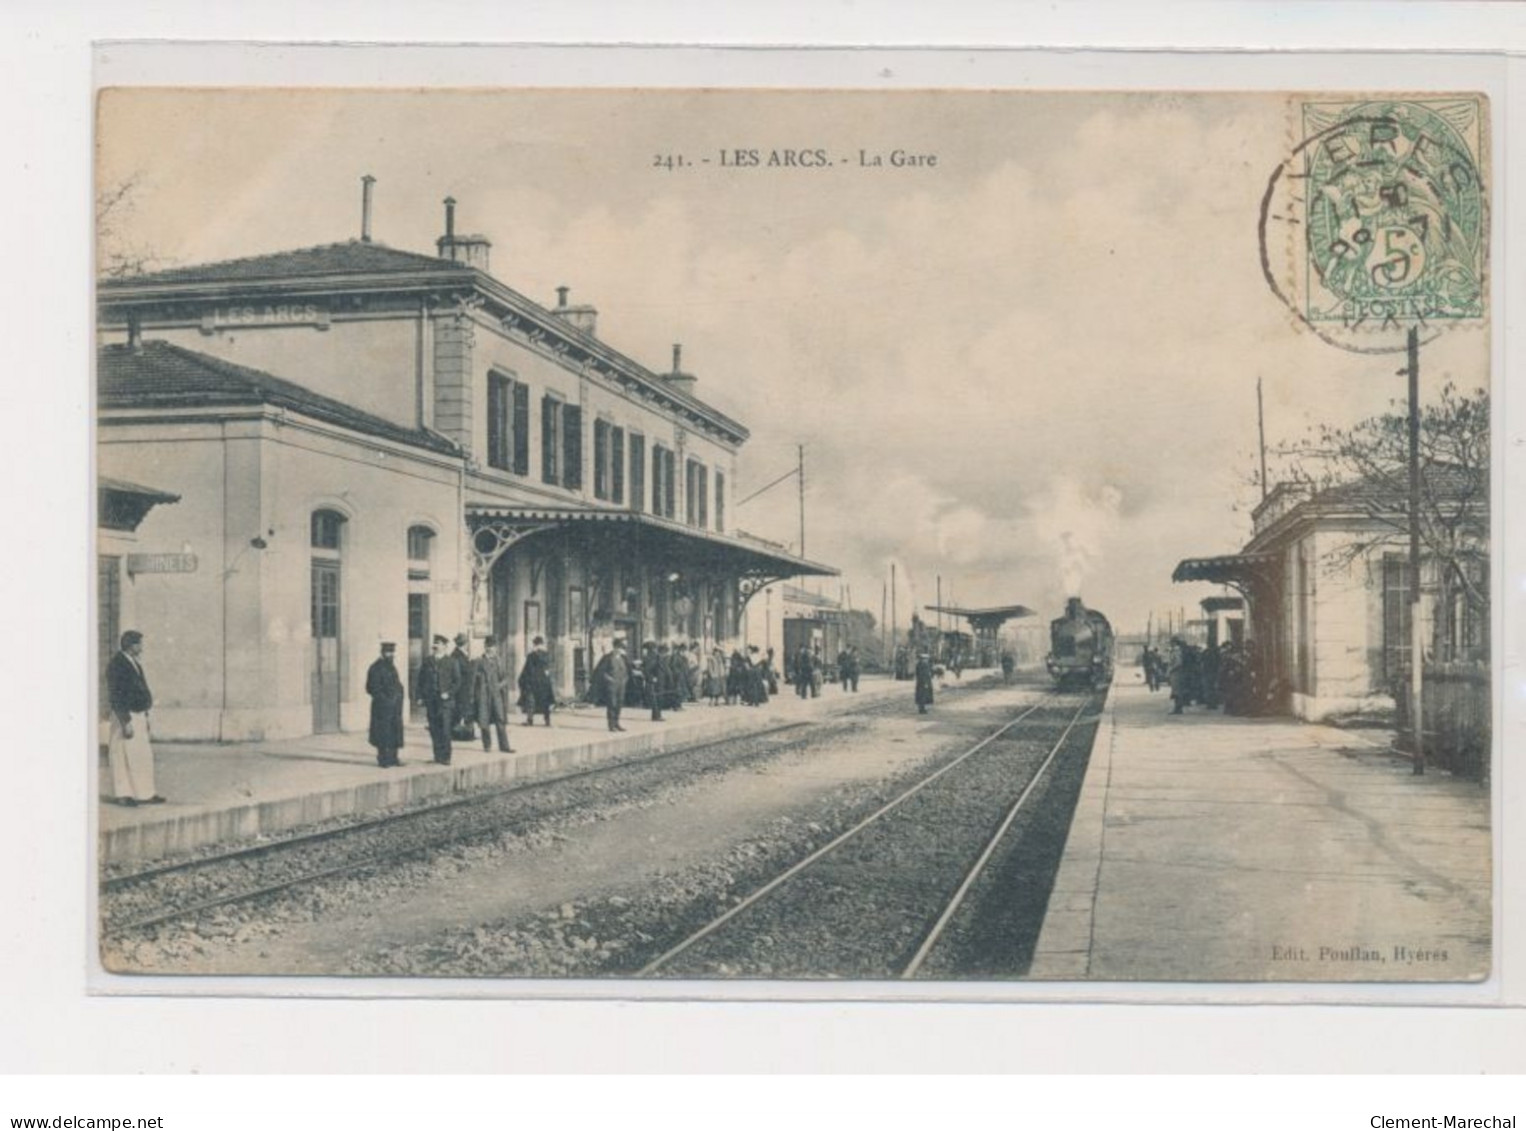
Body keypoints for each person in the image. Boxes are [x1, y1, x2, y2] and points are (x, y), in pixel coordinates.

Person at [105, 629, 163, 805]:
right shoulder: (117, 664)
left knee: (140, 756)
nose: (142, 647)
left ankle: (144, 793)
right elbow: (116, 695)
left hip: (137, 715)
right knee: (121, 755)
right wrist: (125, 721)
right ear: (131, 646)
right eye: (139, 644)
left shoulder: (133, 663)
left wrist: (144, 716)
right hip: (126, 716)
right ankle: (123, 795)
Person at [417, 633, 457, 764]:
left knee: (445, 729)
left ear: (445, 647)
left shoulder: (451, 662)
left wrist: (448, 693)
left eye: (439, 644)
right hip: (431, 701)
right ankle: (437, 756)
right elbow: (420, 680)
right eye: (435, 644)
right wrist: (420, 696)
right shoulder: (428, 661)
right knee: (434, 729)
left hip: (445, 702)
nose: (436, 646)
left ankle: (446, 757)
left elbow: (457, 682)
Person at [365, 641, 407, 768]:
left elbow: (397, 684)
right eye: (389, 652)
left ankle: (394, 757)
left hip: (395, 707)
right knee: (382, 733)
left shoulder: (392, 667)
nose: (391, 655)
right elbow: (371, 688)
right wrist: (385, 700)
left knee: (395, 732)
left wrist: (399, 695)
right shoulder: (375, 668)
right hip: (382, 708)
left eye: (392, 652)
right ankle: (383, 759)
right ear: (382, 653)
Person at [472, 637, 514, 752]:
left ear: (496, 648)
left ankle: (504, 746)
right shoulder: (479, 661)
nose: (491, 649)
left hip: (496, 696)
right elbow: (473, 681)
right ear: (485, 647)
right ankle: (487, 745)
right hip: (484, 696)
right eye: (488, 647)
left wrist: (499, 685)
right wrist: (473, 696)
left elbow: (505, 678)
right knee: (484, 720)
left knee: (500, 719)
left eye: (493, 647)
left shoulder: (499, 662)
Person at [591, 638, 631, 732]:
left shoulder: (623, 658)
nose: (623, 649)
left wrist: (625, 679)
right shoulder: (608, 657)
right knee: (612, 704)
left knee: (619, 703)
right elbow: (601, 671)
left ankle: (617, 723)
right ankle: (611, 724)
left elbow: (627, 670)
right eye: (621, 647)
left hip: (621, 684)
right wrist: (609, 680)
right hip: (612, 685)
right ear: (616, 647)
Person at [518, 635, 554, 726]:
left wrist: (522, 679)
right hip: (544, 682)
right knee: (545, 701)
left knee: (531, 700)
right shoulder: (546, 655)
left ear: (535, 644)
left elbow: (528, 669)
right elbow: (548, 669)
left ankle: (530, 719)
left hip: (533, 681)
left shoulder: (531, 656)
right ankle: (547, 720)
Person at [450, 632, 475, 741]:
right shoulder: (456, 655)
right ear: (464, 643)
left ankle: (466, 734)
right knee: (460, 712)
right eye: (465, 642)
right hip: (461, 689)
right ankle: (459, 734)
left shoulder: (461, 654)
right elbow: (461, 671)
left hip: (465, 688)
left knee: (464, 711)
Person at [643, 642, 665, 721]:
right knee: (656, 698)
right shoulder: (652, 657)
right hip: (655, 681)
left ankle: (656, 715)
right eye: (654, 648)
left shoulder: (654, 656)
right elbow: (647, 669)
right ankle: (656, 716)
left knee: (658, 698)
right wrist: (652, 678)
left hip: (658, 680)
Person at [914, 650, 935, 715]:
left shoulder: (919, 664)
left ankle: (921, 708)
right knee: (923, 696)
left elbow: (917, 674)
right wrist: (926, 683)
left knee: (920, 695)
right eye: (926, 659)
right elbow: (925, 674)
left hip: (919, 682)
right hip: (924, 682)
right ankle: (922, 709)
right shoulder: (924, 665)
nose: (927, 660)